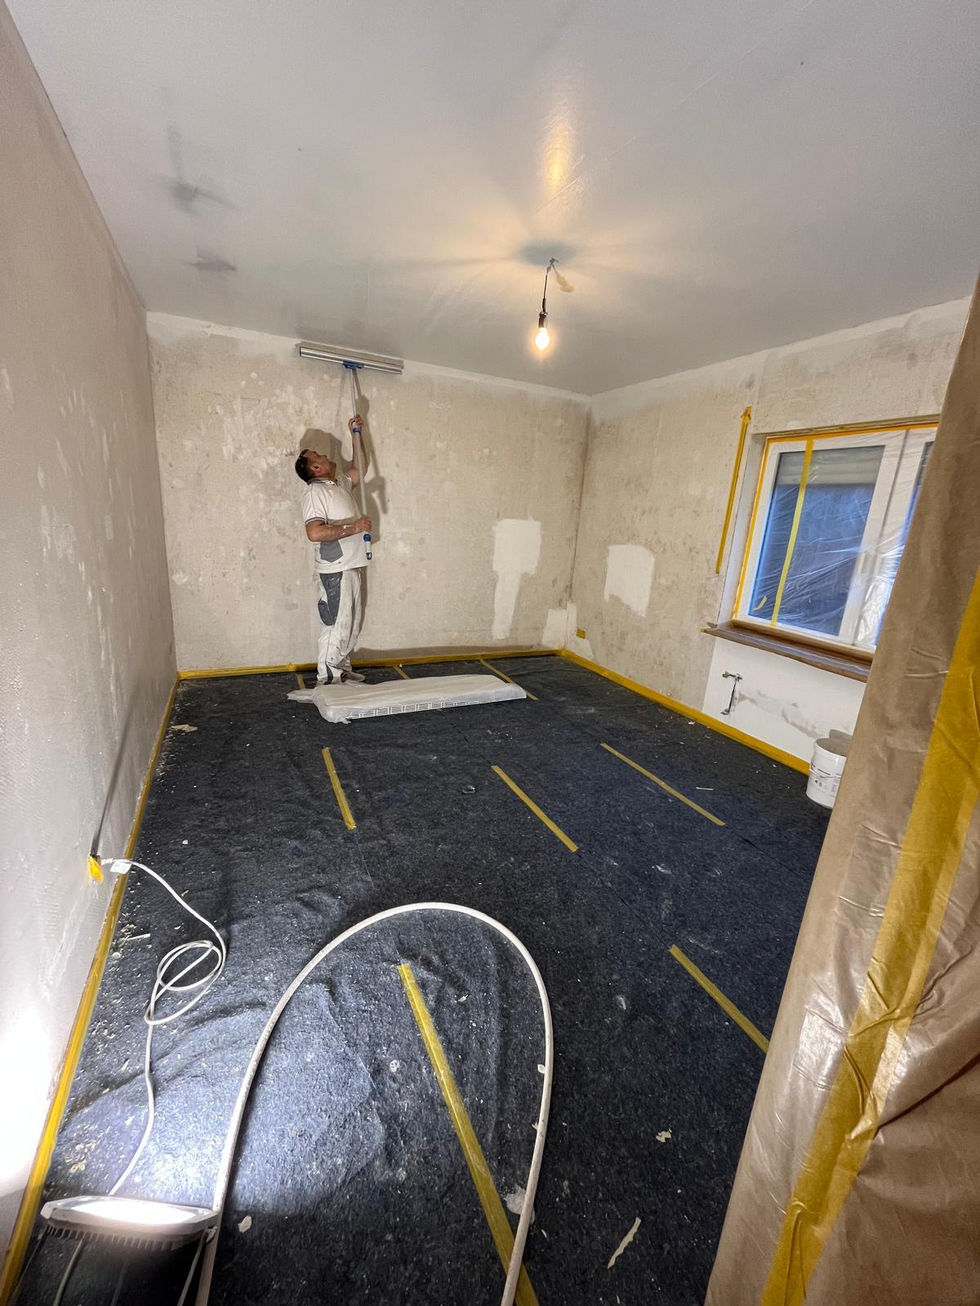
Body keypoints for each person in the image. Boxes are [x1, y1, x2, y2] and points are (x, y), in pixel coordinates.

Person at [294, 417, 372, 685]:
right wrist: (355, 527)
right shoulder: (314, 493)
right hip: (336, 569)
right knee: (337, 622)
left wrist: (356, 435)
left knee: (351, 623)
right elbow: (314, 532)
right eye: (319, 456)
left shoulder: (338, 483)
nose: (326, 456)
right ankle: (328, 678)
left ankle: (341, 670)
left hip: (351, 563)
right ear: (316, 468)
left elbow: (360, 469)